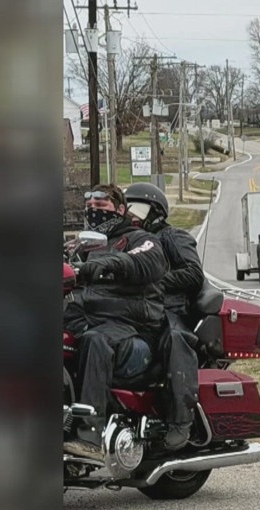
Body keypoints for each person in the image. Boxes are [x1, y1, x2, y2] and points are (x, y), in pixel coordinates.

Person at [63, 184, 168, 458]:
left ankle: (90, 434)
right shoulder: (83, 245)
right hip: (93, 322)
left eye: (102, 206)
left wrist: (110, 263)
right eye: (91, 207)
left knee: (95, 341)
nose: (94, 211)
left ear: (120, 210)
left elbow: (150, 260)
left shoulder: (139, 238)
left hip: (135, 333)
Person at [125, 182, 202, 449]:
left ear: (155, 211)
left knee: (175, 338)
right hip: (139, 309)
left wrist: (156, 281)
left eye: (137, 208)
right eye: (127, 209)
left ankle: (181, 421)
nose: (131, 215)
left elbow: (194, 274)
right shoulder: (130, 240)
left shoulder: (172, 237)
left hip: (170, 309)